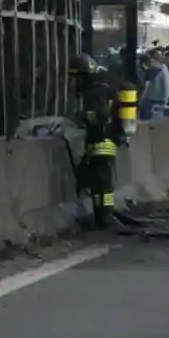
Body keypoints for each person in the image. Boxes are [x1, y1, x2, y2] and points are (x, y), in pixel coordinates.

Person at [69, 54, 138, 231]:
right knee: (101, 181)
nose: (76, 81)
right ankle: (103, 214)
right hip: (108, 137)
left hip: (102, 138)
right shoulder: (105, 83)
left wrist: (81, 117)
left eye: (77, 76)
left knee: (102, 181)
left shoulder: (95, 90)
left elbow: (100, 115)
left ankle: (104, 215)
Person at [140, 49, 169, 120]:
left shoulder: (159, 71)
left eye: (150, 61)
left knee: (149, 122)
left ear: (153, 60)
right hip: (157, 100)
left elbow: (146, 87)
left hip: (153, 101)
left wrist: (141, 98)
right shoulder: (163, 70)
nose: (149, 63)